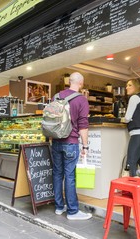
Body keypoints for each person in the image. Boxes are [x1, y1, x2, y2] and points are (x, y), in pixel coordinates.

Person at [52, 72, 92, 221]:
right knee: (69, 176)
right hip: (71, 142)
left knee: (57, 174)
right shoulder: (81, 100)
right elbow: (83, 126)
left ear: (69, 82)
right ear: (81, 83)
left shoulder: (56, 97)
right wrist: (85, 146)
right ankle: (73, 211)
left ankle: (58, 207)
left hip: (55, 141)